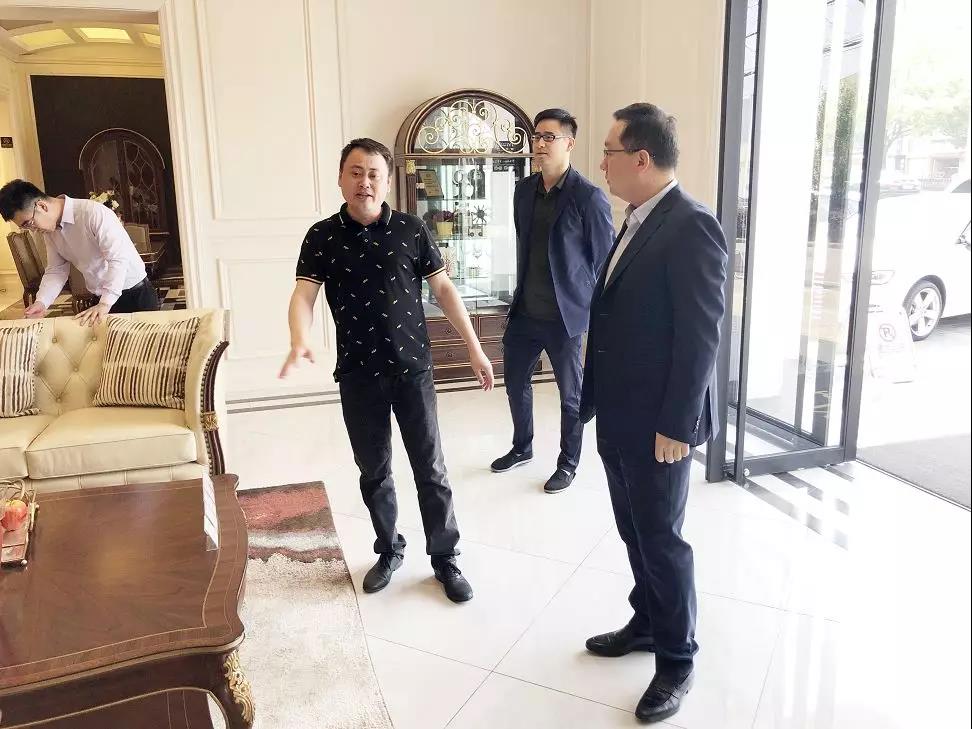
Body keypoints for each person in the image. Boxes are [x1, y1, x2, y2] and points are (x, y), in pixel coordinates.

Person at [280, 138, 494, 603]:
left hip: (412, 370)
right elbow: (303, 295)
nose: (365, 182)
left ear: (388, 181)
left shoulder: (412, 229)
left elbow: (444, 290)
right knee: (373, 471)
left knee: (430, 468)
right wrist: (300, 338)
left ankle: (445, 556)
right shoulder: (321, 236)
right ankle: (389, 548)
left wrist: (474, 348)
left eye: (374, 173)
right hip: (357, 374)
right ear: (341, 179)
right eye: (356, 172)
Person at [580, 104, 728, 723]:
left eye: (609, 151)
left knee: (662, 540)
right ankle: (646, 622)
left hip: (659, 426)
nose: (602, 163)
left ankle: (676, 659)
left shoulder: (691, 225)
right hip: (621, 415)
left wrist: (677, 425)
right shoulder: (637, 219)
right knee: (633, 529)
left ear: (641, 159)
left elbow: (701, 337)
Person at [490, 109, 614, 494]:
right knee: (515, 383)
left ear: (569, 143)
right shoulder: (523, 191)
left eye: (549, 137)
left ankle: (568, 462)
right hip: (525, 311)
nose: (539, 144)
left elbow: (605, 261)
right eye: (536, 136)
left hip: (566, 317)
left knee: (571, 396)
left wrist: (596, 313)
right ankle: (522, 447)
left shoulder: (588, 197)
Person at [0, 179, 158, 324]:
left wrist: (105, 303)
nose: (32, 230)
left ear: (42, 206)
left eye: (29, 223)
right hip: (100, 299)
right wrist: (41, 302)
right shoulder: (50, 232)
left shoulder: (93, 213)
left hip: (135, 297)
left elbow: (117, 259)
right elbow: (56, 270)